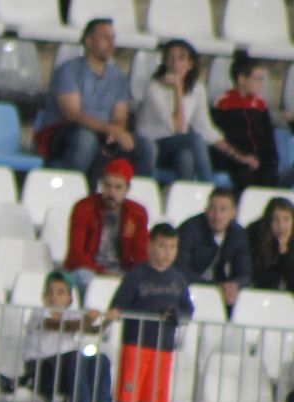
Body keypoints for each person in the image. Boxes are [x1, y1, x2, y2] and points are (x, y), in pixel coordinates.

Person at [102, 223, 192, 402]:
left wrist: (175, 315)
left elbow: (188, 310)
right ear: (150, 245)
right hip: (135, 346)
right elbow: (118, 306)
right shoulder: (136, 276)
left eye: (172, 247)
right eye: (162, 246)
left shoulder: (178, 279)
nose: (166, 252)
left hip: (162, 349)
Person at [37, 18, 153, 185]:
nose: (111, 43)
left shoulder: (118, 77)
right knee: (86, 140)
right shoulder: (68, 71)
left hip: (104, 133)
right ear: (89, 41)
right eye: (105, 37)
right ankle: (71, 191)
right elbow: (72, 114)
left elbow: (120, 117)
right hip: (66, 132)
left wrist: (115, 133)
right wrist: (110, 129)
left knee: (145, 147)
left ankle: (133, 201)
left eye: (112, 38)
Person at [136, 40, 250, 186]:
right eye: (170, 58)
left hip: (175, 145)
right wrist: (177, 89)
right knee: (194, 139)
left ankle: (184, 197)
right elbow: (177, 128)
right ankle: (208, 187)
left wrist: (236, 155)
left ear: (190, 64)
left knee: (186, 156)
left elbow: (205, 128)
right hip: (151, 144)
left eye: (181, 58)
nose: (175, 63)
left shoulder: (197, 89)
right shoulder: (154, 87)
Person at [23, 271, 114, 402]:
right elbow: (59, 325)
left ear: (69, 298)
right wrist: (87, 320)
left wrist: (107, 321)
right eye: (50, 292)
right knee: (75, 357)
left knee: (101, 359)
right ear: (44, 296)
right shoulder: (39, 313)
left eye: (60, 293)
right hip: (41, 370)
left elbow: (92, 329)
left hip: (66, 371)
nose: (54, 297)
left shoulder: (72, 315)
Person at [65, 158, 149, 293]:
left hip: (122, 273)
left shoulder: (137, 213)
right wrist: (103, 273)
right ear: (101, 185)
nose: (111, 193)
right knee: (84, 277)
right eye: (107, 186)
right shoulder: (83, 208)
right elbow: (76, 254)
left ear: (127, 189)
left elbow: (141, 255)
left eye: (118, 187)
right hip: (90, 271)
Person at [211, 53, 280, 194]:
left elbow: (268, 137)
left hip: (260, 159)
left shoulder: (260, 105)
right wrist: (243, 158)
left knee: (269, 176)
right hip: (235, 159)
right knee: (245, 177)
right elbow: (221, 138)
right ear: (242, 79)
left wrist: (267, 160)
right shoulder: (222, 103)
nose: (261, 84)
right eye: (258, 79)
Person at [175, 188, 251, 316]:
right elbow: (181, 270)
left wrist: (234, 285)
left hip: (222, 292)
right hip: (189, 290)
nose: (217, 216)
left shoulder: (238, 234)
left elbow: (245, 271)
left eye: (223, 210)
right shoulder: (189, 229)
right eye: (213, 209)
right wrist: (217, 286)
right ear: (206, 210)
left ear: (233, 212)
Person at [249, 196, 294, 290]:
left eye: (286, 219)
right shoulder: (255, 237)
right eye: (275, 220)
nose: (281, 226)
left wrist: (284, 253)